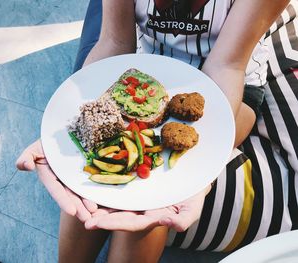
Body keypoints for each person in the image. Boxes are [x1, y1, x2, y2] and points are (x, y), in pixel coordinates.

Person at [16, 0, 296, 262]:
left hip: (229, 84)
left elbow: (227, 65)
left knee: (149, 198)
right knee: (90, 179)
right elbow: (115, 41)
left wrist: (196, 175)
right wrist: (83, 122)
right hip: (149, 70)